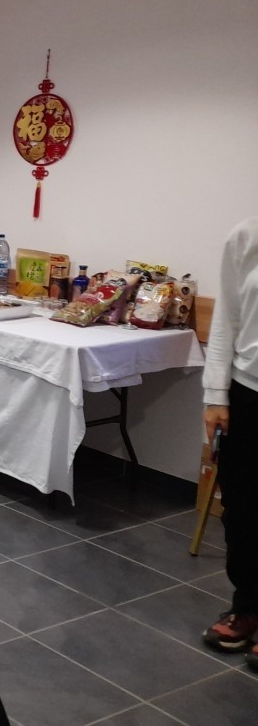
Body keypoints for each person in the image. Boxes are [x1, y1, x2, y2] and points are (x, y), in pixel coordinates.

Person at [201, 215, 258, 669]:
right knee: (242, 509)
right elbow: (227, 317)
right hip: (248, 392)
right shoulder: (246, 235)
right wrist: (216, 393)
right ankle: (248, 606)